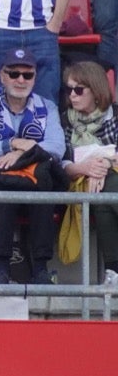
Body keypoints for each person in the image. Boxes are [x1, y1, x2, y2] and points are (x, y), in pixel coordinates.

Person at [0, 47, 66, 284]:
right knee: (3, 192)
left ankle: (41, 269)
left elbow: (56, 148)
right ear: (2, 76)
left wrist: (20, 155)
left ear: (35, 77)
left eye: (27, 75)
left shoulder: (48, 107)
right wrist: (13, 143)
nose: (21, 80)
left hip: (35, 183)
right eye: (14, 74)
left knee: (43, 192)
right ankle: (1, 268)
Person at [59, 62, 118, 288]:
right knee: (106, 188)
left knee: (105, 194)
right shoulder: (64, 120)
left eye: (79, 89)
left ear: (96, 90)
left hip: (104, 182)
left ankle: (114, 271)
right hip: (77, 182)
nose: (72, 95)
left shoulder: (116, 115)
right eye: (69, 89)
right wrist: (86, 169)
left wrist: (102, 162)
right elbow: (62, 164)